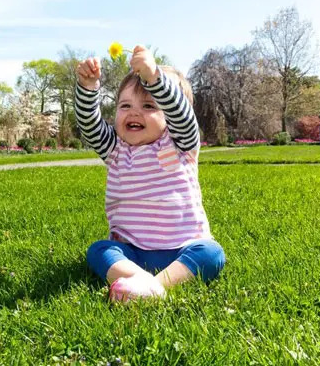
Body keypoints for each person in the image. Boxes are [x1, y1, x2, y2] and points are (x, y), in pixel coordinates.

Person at [75, 45, 225, 302]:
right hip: (132, 252)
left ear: (170, 112)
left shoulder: (181, 143)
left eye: (148, 105)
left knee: (211, 254)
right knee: (99, 251)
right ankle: (140, 280)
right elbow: (89, 125)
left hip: (183, 249)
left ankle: (156, 285)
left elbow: (182, 116)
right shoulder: (116, 149)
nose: (134, 113)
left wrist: (155, 78)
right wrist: (88, 88)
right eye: (125, 105)